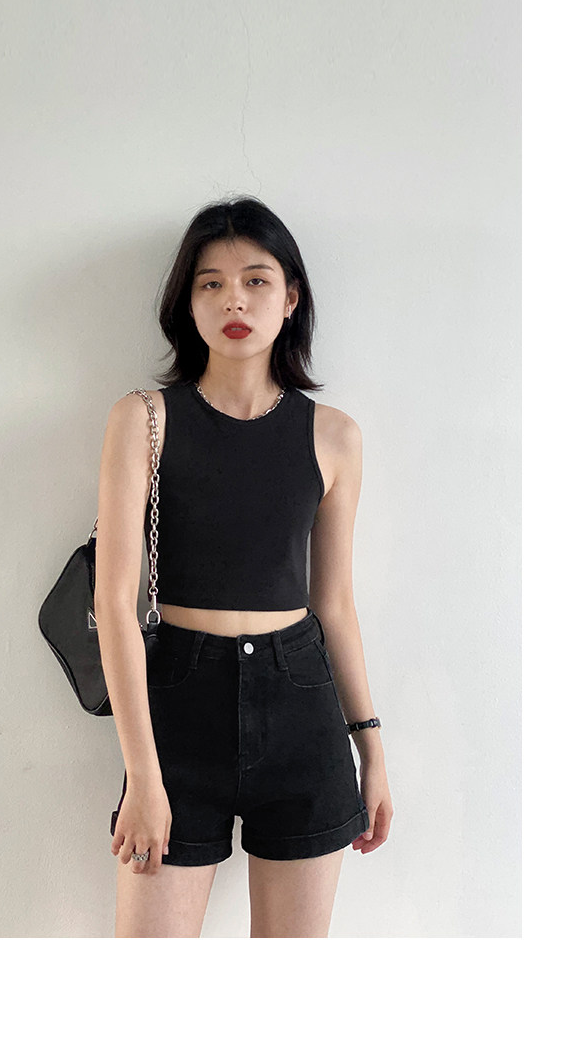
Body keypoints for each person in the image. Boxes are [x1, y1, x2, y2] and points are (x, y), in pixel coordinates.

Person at [94, 196, 393, 937]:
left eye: (257, 281)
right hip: (178, 710)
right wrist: (143, 776)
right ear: (187, 303)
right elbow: (115, 605)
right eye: (212, 283)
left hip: (301, 708)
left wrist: (371, 748)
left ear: (290, 300)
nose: (235, 300)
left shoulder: (334, 437)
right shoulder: (144, 419)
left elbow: (334, 604)